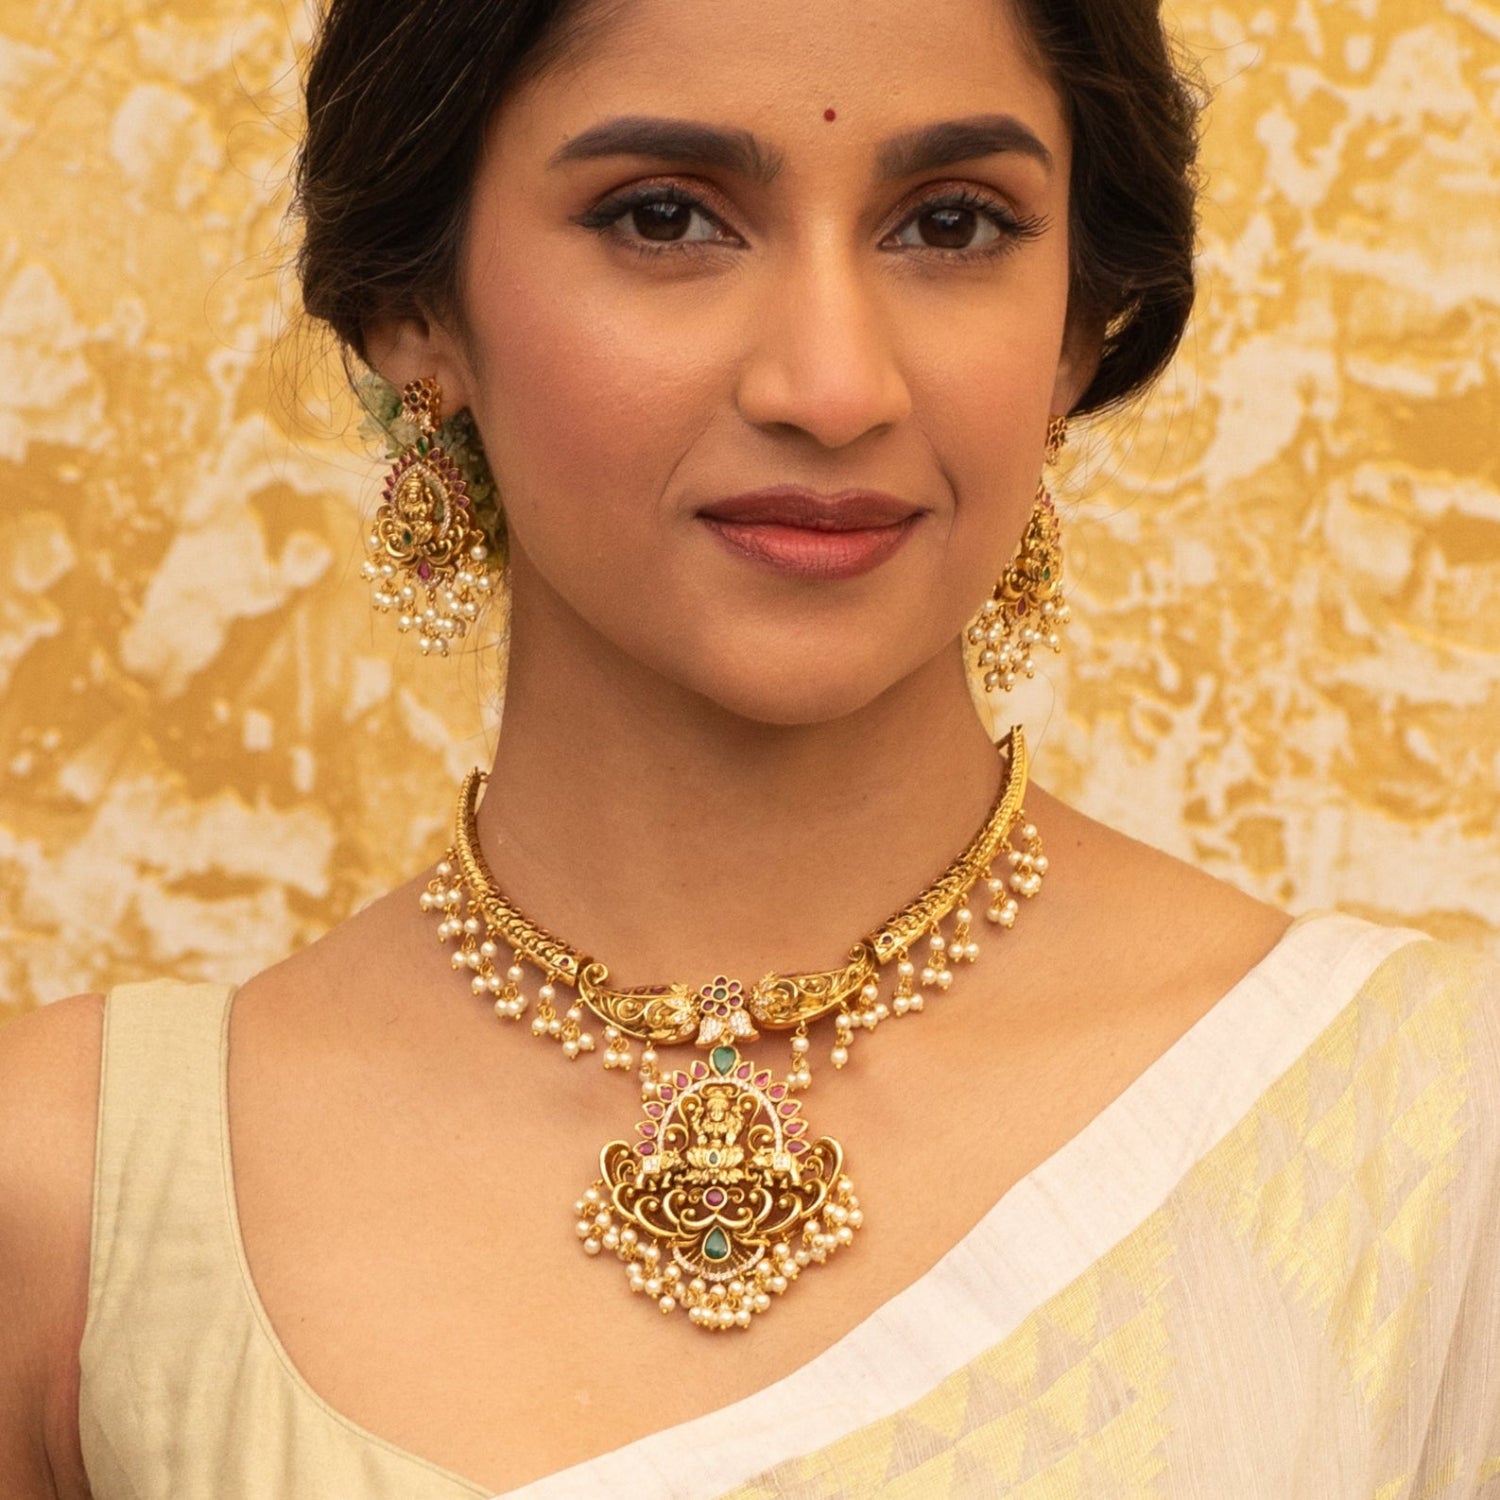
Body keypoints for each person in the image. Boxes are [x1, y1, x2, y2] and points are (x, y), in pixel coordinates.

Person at [2, 0, 1496, 1494]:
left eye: (955, 225)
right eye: (667, 217)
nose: (833, 388)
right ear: (417, 306)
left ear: (1078, 330)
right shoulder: (77, 1201)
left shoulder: (1422, 1144)